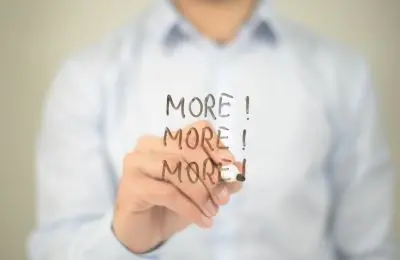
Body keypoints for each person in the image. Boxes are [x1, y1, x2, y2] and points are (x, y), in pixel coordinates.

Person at [28, 0, 396, 259]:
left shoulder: (343, 74)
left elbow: (371, 249)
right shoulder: (86, 77)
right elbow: (56, 250)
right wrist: (123, 240)